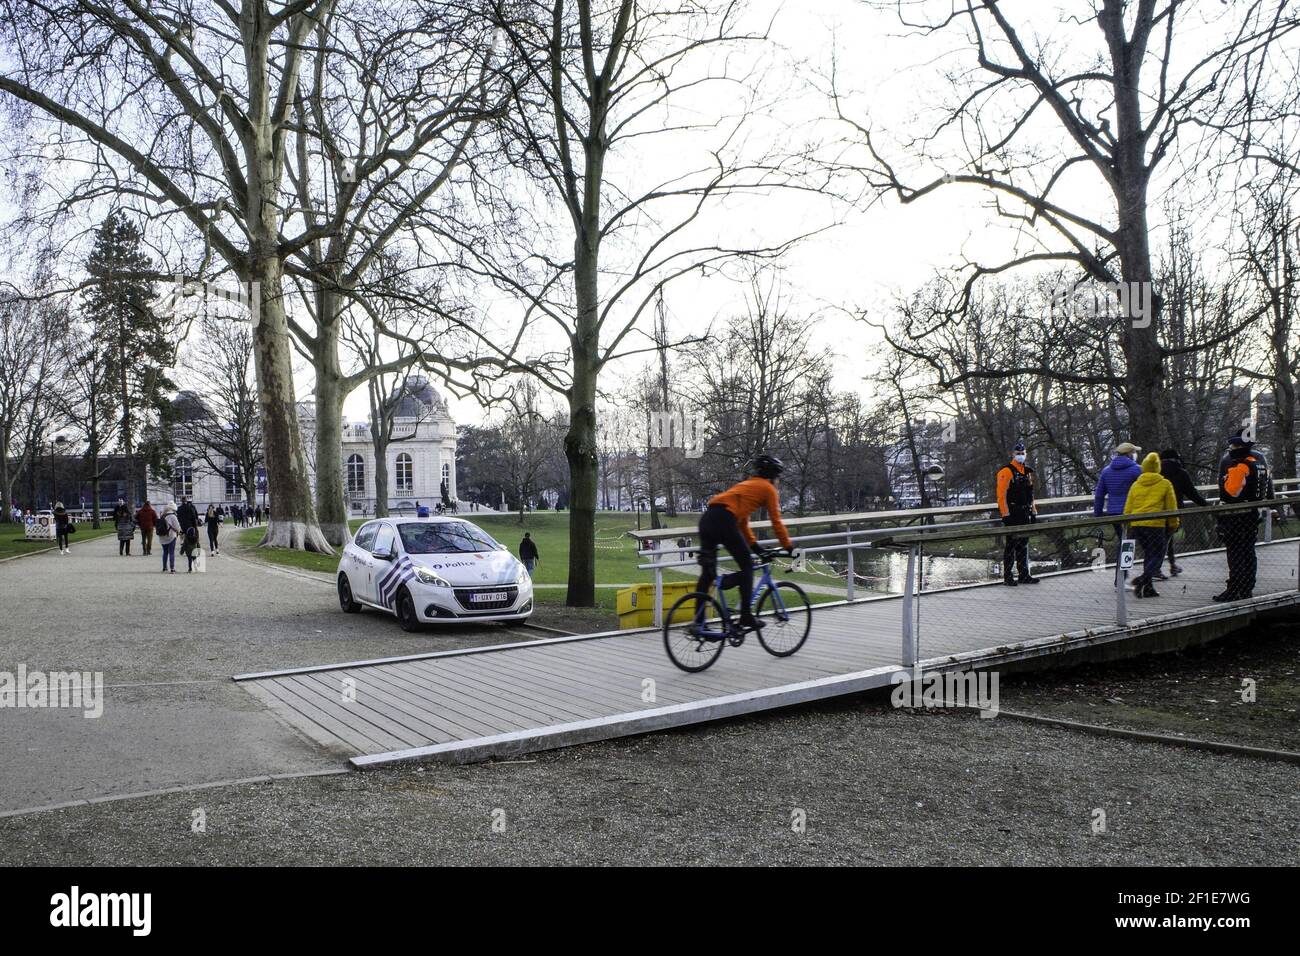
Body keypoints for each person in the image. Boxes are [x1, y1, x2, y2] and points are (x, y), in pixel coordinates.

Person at [693, 454, 797, 632]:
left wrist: (755, 547)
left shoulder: (747, 485)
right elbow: (776, 521)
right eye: (778, 477)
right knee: (747, 566)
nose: (778, 481)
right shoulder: (768, 489)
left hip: (708, 519)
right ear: (773, 476)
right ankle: (745, 616)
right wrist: (789, 547)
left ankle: (698, 624)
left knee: (707, 574)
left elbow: (742, 523)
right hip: (724, 521)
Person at [1214, 432, 1272, 602]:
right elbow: (1266, 487)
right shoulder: (1259, 463)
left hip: (1236, 516)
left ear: (1239, 447)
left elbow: (1231, 492)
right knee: (1248, 552)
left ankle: (1233, 589)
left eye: (1232, 447)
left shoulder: (1240, 466)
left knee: (1235, 554)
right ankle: (1247, 587)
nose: (1230, 450)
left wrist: (1227, 480)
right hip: (1252, 514)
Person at [1123, 452, 1179, 599]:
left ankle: (1148, 589)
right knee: (1159, 553)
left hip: (1137, 525)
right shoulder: (1165, 484)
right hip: (1156, 525)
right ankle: (1142, 580)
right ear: (1158, 467)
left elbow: (1128, 507)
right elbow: (1171, 507)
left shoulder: (1136, 485)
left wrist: (1128, 523)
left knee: (1149, 554)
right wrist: (1174, 523)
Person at [1094, 441, 1144, 577]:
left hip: (1114, 513)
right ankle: (1122, 578)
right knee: (1128, 544)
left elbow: (1099, 494)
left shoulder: (1106, 471)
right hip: (1131, 513)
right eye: (1134, 452)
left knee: (1124, 543)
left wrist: (1098, 514)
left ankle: (1122, 577)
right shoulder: (1136, 470)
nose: (1135, 455)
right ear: (1129, 454)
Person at [1158, 448, 1207, 577]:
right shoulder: (1180, 473)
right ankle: (1159, 567)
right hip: (1174, 511)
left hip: (1154, 512)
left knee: (1161, 540)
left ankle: (1167, 565)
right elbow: (1192, 493)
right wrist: (1206, 505)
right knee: (1167, 539)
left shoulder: (1156, 472)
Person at [995, 441, 1039, 586]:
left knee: (1024, 545)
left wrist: (1033, 512)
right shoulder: (1006, 471)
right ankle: (1008, 576)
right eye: (1018, 453)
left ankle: (1024, 575)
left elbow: (1030, 494)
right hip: (1012, 512)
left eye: (1022, 453)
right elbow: (1001, 495)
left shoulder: (1027, 472)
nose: (1020, 456)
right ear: (1013, 454)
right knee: (1011, 545)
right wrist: (1005, 515)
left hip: (1025, 512)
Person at [158, 502, 181, 573]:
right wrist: (179, 531)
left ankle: (164, 567)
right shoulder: (173, 516)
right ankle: (172, 568)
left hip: (162, 536)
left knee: (165, 552)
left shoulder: (162, 515)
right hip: (171, 536)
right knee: (171, 552)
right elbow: (177, 527)